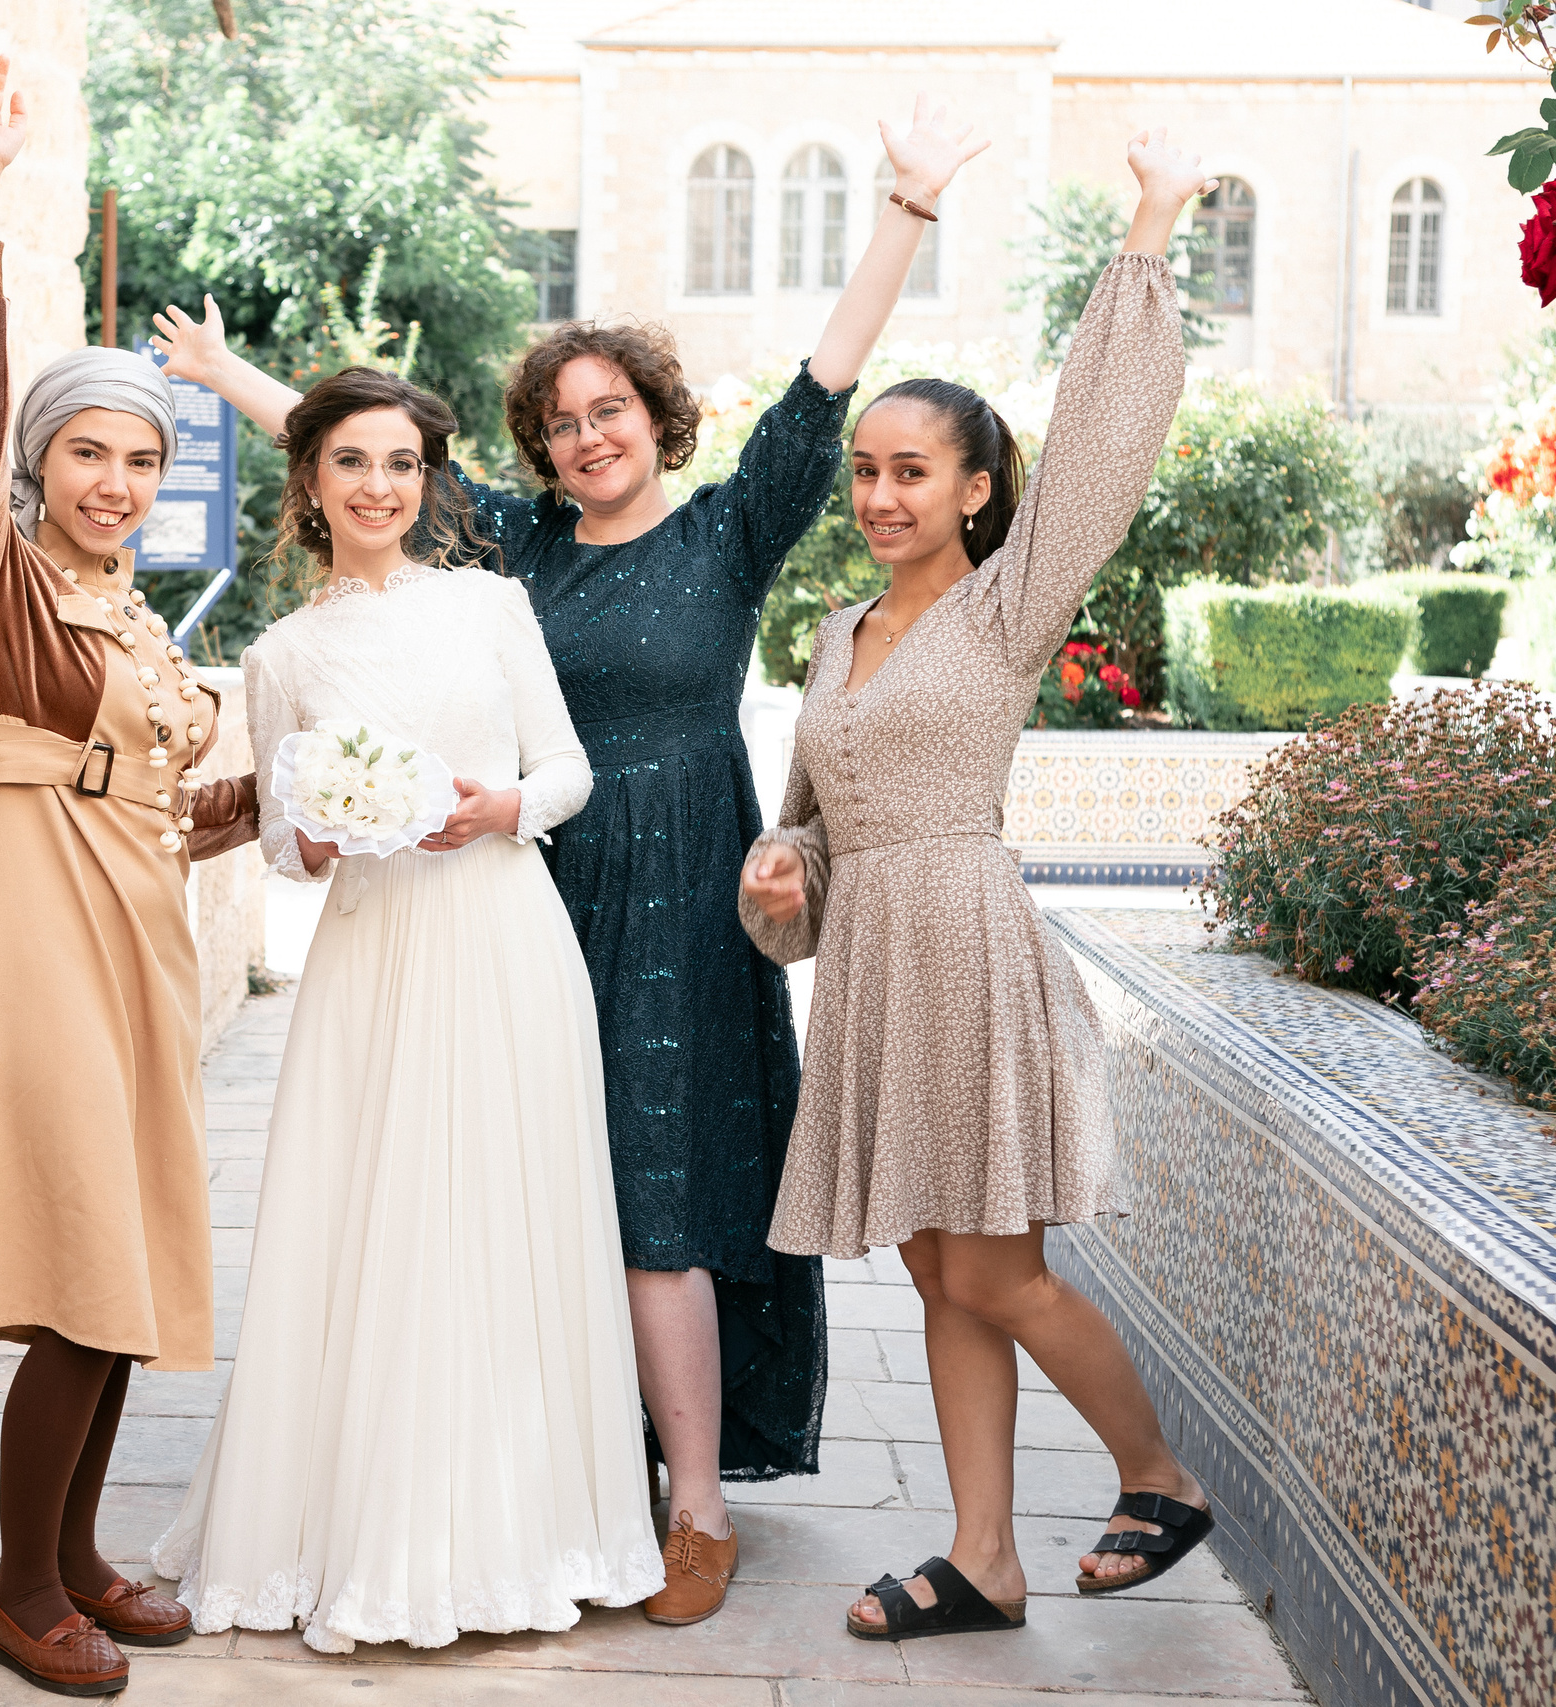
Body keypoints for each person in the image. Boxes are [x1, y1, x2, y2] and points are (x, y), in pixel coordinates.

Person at [148, 96, 989, 1627]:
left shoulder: (730, 534)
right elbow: (361, 465)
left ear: (655, 418)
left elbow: (822, 386)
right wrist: (221, 378)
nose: (586, 436)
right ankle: (559, 1471)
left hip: (682, 897)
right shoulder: (513, 555)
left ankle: (693, 1500)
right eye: (560, 420)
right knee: (542, 1189)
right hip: (521, 894)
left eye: (610, 411)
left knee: (663, 1195)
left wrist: (907, 215)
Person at [736, 131, 1217, 1642]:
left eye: (910, 470)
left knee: (998, 1268)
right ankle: (984, 1557)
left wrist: (1146, 230)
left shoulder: (1009, 604)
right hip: (876, 953)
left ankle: (1159, 1473)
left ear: (974, 486)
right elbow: (813, 834)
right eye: (866, 470)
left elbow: (1102, 448)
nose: (879, 494)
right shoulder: (831, 631)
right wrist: (782, 862)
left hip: (963, 939)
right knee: (943, 1261)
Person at [149, 365, 663, 1652]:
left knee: (506, 1206)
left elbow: (568, 768)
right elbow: (274, 831)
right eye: (350, 464)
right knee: (372, 1216)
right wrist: (315, 841)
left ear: (426, 480)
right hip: (374, 956)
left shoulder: (491, 607)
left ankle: (522, 1532)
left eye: (398, 463)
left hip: (499, 931)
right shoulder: (282, 653)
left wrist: (501, 809)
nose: (377, 487)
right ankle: (357, 1533)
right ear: (310, 484)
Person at [0, 45, 258, 1696]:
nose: (117, 484)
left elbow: (155, 795)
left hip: (138, 937)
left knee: (122, 1263)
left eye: (142, 460)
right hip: (46, 944)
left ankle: (74, 1555)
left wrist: (261, 806)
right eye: (90, 457)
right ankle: (12, 1586)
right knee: (75, 1265)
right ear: (44, 469)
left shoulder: (129, 612)